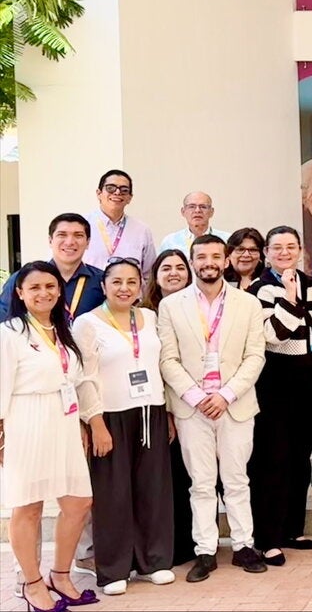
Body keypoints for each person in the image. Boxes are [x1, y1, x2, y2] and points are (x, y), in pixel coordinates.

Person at [157, 234, 269, 581]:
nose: (208, 262)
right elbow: (167, 358)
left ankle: (243, 546)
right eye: (201, 256)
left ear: (226, 261)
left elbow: (255, 356)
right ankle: (205, 550)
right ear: (193, 262)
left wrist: (226, 395)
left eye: (215, 256)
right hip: (193, 408)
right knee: (201, 483)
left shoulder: (247, 303)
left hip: (234, 405)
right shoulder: (170, 306)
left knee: (237, 479)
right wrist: (195, 396)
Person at [74, 259, 176, 596]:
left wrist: (170, 414)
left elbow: (161, 366)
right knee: (112, 494)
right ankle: (114, 568)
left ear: (141, 285)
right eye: (117, 281)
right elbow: (85, 377)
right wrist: (96, 422)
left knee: (154, 489)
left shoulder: (150, 317)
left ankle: (154, 562)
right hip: (110, 416)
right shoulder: (87, 323)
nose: (125, 288)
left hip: (151, 411)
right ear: (103, 286)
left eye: (132, 282)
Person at [3, 263, 99, 612]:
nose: (43, 293)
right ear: (20, 293)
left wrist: (85, 424)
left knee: (78, 501)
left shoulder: (63, 329)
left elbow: (77, 379)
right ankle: (32, 583)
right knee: (28, 506)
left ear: (59, 291)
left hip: (65, 421)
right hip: (27, 420)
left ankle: (60, 574)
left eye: (50, 286)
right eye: (34, 287)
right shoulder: (10, 333)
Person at [247, 226, 312, 565]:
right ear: (267, 252)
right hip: (273, 385)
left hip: (309, 384)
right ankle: (266, 538)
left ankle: (292, 529)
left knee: (299, 460)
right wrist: (291, 302)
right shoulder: (259, 289)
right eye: (276, 247)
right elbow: (272, 335)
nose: (284, 252)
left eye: (290, 246)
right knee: (272, 461)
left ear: (300, 251)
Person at [142, 250, 197, 568]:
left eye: (180, 267)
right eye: (166, 268)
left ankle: (195, 542)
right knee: (167, 480)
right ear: (155, 275)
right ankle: (168, 545)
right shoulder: (143, 315)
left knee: (192, 477)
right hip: (158, 408)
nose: (174, 273)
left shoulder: (198, 310)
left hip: (195, 403)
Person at [0, 213, 105, 322]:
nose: (69, 242)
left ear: (88, 242)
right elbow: (4, 321)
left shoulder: (102, 280)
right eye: (62, 235)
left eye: (78, 235)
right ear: (50, 241)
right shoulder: (22, 278)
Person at [84, 169, 157, 275]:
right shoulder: (82, 225)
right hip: (90, 290)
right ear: (99, 193)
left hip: (128, 290)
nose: (117, 192)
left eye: (124, 190)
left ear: (130, 198)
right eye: (110, 188)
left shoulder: (141, 230)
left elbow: (149, 273)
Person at [158, 192, 231, 254]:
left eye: (203, 207)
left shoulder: (226, 239)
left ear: (211, 212)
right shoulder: (170, 241)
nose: (197, 210)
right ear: (183, 212)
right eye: (192, 207)